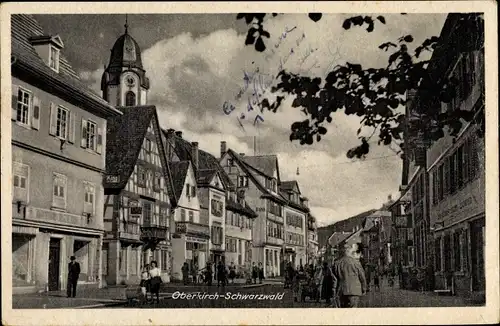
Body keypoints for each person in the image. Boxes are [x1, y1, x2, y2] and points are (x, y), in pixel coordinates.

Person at [332, 242, 367, 308]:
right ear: (350, 252)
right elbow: (362, 277)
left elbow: (334, 279)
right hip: (354, 291)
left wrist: (334, 292)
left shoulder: (337, 263)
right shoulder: (356, 263)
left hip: (341, 291)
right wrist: (364, 288)